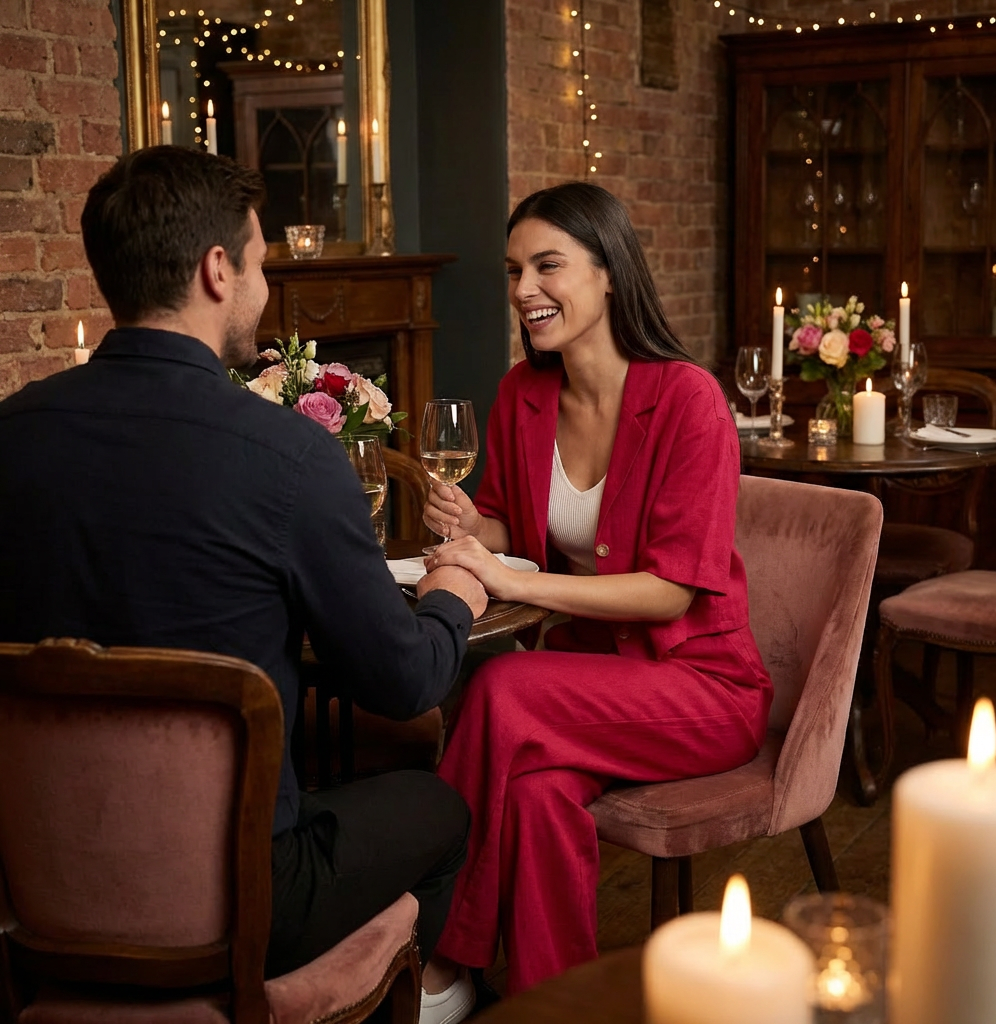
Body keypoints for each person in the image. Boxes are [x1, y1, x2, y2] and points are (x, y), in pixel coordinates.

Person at [0, 146, 484, 1024]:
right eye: (260, 261)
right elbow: (405, 680)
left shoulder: (10, 436)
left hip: (35, 881)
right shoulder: (290, 458)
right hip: (242, 898)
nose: (264, 286)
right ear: (216, 270)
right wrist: (455, 593)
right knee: (437, 806)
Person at [421, 181, 773, 995]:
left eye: (548, 266)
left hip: (702, 687)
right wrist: (477, 528)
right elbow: (515, 524)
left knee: (502, 687)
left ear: (609, 270)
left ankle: (438, 953)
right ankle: (557, 1003)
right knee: (540, 798)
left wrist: (512, 583)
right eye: (513, 271)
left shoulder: (689, 400)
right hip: (591, 683)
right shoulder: (523, 393)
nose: (524, 291)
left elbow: (670, 595)